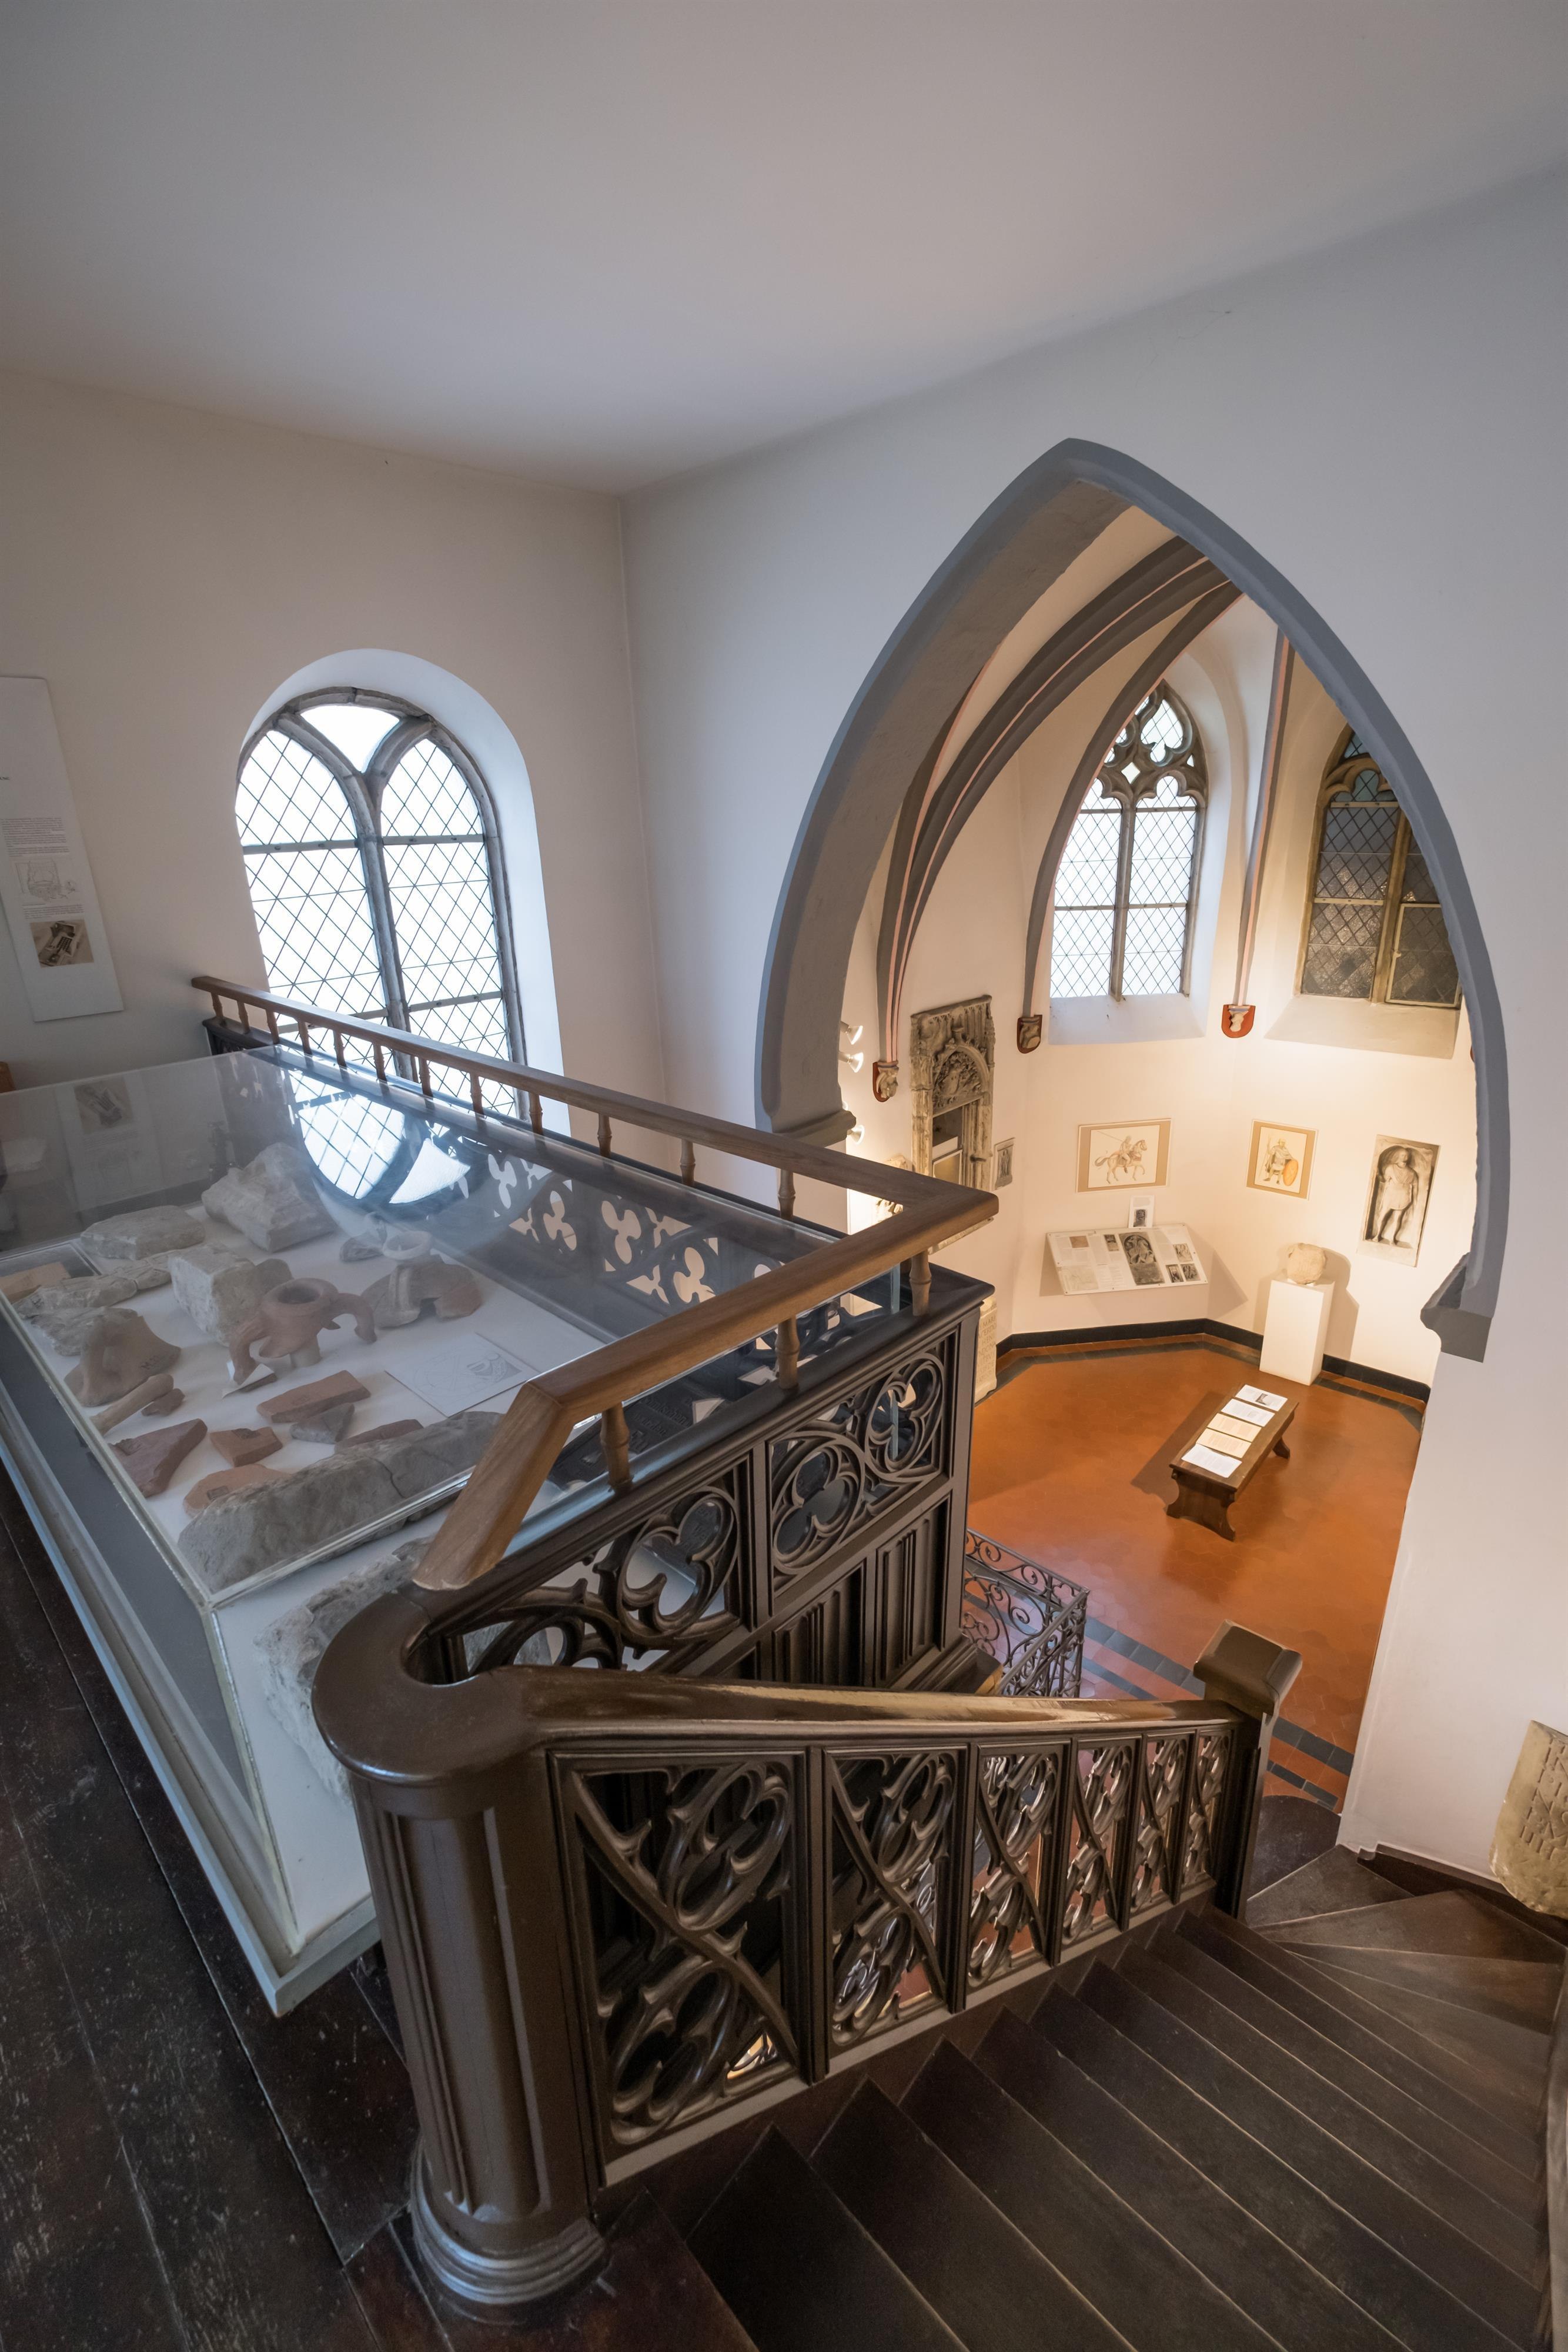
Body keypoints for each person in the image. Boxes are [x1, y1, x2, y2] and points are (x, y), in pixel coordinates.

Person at [1369, 1146, 1422, 1245]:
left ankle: (1392, 1238)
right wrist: (1379, 1174)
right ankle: (1378, 1235)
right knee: (1383, 1215)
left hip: (1404, 1197)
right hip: (1391, 1195)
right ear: (1398, 1156)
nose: (1405, 1157)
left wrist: (1415, 1201)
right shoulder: (1391, 1168)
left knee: (1398, 1218)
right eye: (1402, 1155)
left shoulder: (1412, 1173)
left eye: (1406, 1155)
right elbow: (1385, 1180)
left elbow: (1415, 1187)